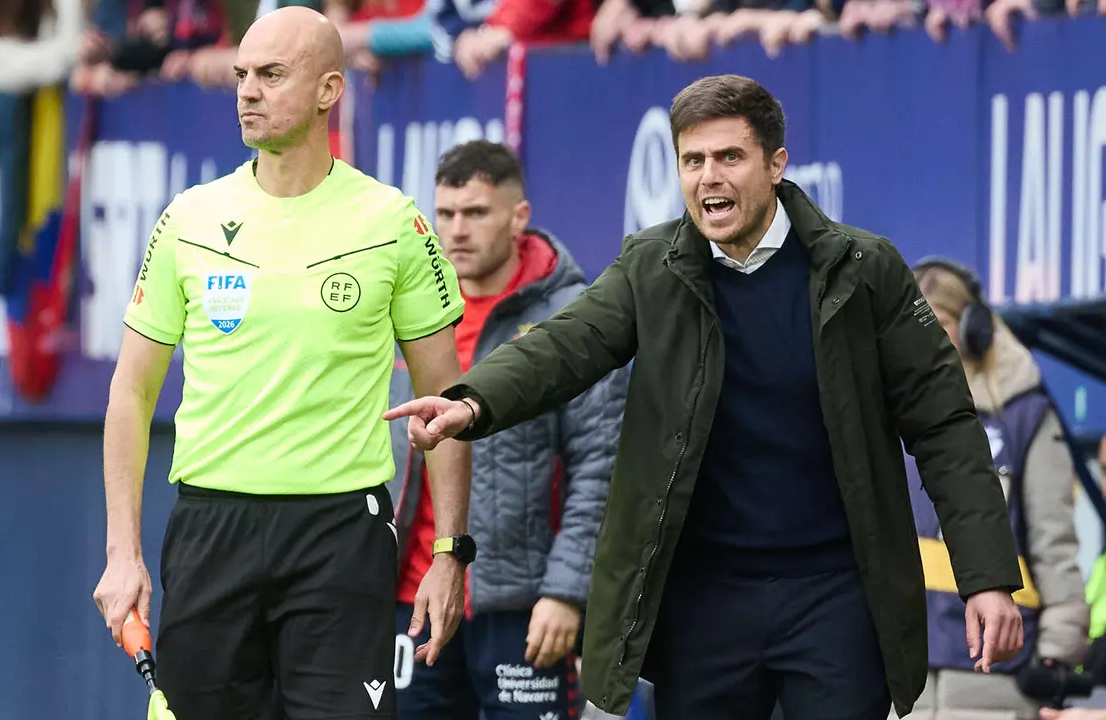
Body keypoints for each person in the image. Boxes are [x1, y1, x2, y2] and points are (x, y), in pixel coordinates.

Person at [384, 73, 1027, 720]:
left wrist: (987, 577)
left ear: (776, 164)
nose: (707, 177)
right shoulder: (650, 265)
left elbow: (944, 423)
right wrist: (472, 402)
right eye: (692, 160)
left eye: (729, 157)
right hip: (704, 601)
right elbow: (565, 343)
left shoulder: (865, 269)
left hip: (838, 595)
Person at [92, 8, 474, 719]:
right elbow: (132, 391)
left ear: (330, 90)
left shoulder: (393, 221)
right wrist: (123, 552)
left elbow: (443, 399)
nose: (248, 91)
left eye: (271, 75)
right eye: (241, 75)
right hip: (210, 531)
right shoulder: (189, 218)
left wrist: (449, 551)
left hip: (340, 535)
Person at [387, 140, 628, 720]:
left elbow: (601, 467)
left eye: (477, 213)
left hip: (524, 606)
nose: (457, 230)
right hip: (412, 600)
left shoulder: (574, 317)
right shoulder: (410, 308)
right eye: (445, 214)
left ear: (520, 217)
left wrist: (567, 593)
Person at [898, 258, 1090, 720]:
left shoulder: (1024, 415)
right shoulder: (887, 409)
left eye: (937, 323)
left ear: (975, 329)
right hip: (903, 673)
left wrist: (1055, 654)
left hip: (994, 673)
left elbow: (1053, 539)